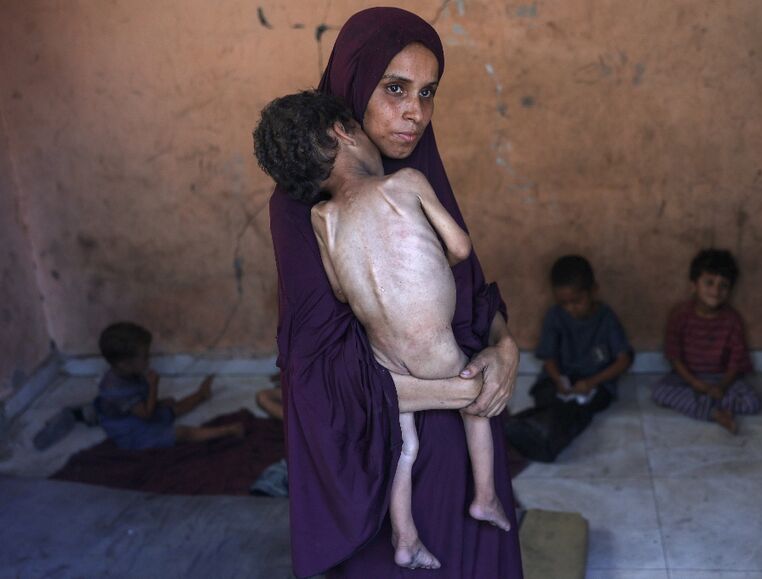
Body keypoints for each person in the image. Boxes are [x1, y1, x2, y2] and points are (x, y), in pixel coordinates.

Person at [265, 7, 522, 578]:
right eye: (396, 88)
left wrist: (505, 350)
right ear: (349, 100)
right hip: (379, 446)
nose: (416, 113)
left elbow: (473, 293)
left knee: (476, 550)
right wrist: (459, 392)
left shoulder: (416, 169)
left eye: (428, 93)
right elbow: (321, 378)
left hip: (464, 416)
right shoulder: (299, 209)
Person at [506, 255, 633, 462]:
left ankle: (543, 438)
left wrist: (590, 383)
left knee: (578, 410)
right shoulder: (555, 316)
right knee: (548, 397)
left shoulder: (606, 318)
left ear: (593, 291)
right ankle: (526, 430)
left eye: (577, 301)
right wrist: (558, 380)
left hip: (595, 383)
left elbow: (623, 360)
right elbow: (548, 357)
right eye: (564, 303)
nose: (570, 308)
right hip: (559, 378)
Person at [651, 249, 762, 433]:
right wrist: (694, 383)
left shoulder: (732, 320)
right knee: (660, 392)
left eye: (723, 285)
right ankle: (713, 412)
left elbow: (736, 359)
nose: (716, 291)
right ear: (694, 285)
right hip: (687, 377)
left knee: (753, 402)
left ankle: (708, 405)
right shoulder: (680, 315)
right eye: (709, 283)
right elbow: (674, 355)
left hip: (721, 378)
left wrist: (722, 386)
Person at [95, 322, 244, 449]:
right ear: (124, 364)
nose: (149, 360)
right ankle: (227, 431)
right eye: (145, 356)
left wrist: (157, 402)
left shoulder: (126, 371)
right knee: (181, 433)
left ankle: (201, 394)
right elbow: (146, 415)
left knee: (174, 407)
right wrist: (153, 387)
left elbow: (140, 401)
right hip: (131, 432)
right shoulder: (117, 391)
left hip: (137, 414)